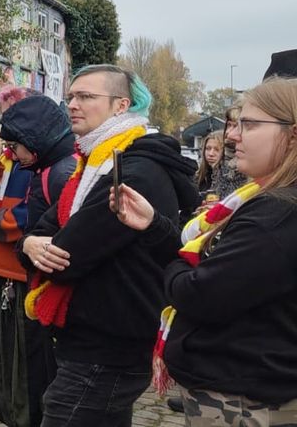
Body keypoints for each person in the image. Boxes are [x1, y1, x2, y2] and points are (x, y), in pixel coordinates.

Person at [112, 77, 297, 425]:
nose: (232, 136)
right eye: (237, 124)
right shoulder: (262, 199)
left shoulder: (275, 213)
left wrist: (178, 268)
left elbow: (199, 292)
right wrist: (155, 226)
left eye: (251, 125)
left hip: (244, 401)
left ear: (293, 134)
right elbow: (222, 270)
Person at [20, 65, 198, 427]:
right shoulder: (94, 163)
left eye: (86, 97)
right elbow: (44, 227)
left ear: (121, 105)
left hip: (108, 344)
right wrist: (28, 243)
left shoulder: (130, 172)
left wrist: (38, 245)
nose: (72, 104)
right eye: (70, 96)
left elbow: (67, 256)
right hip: (101, 337)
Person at [0, 92, 75, 427]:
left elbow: (21, 223)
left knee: (24, 365)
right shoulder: (9, 158)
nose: (6, 133)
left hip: (20, 276)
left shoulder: (41, 163)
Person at [194, 130, 224, 200]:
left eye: (216, 149)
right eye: (208, 148)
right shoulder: (198, 176)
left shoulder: (230, 179)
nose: (211, 154)